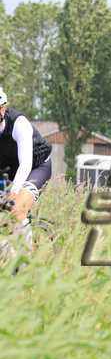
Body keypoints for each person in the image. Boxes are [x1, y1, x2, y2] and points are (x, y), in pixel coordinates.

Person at [0, 86, 52, 253]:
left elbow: (26, 164)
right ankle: (7, 251)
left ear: (3, 109)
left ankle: (26, 261)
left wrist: (13, 190)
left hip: (35, 167)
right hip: (8, 169)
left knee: (17, 208)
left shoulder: (19, 123)